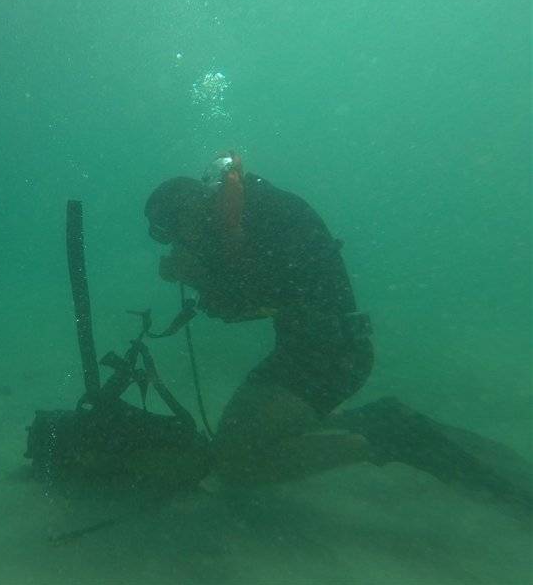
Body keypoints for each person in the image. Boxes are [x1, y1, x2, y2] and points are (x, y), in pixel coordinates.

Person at [145, 151, 531, 512]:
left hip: (330, 355)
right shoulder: (244, 216)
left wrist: (198, 276)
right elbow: (247, 303)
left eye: (170, 232)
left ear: (190, 211)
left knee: (236, 464)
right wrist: (202, 278)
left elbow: (260, 294)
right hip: (310, 351)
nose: (176, 243)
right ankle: (374, 424)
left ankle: (384, 434)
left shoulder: (263, 213)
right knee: (237, 446)